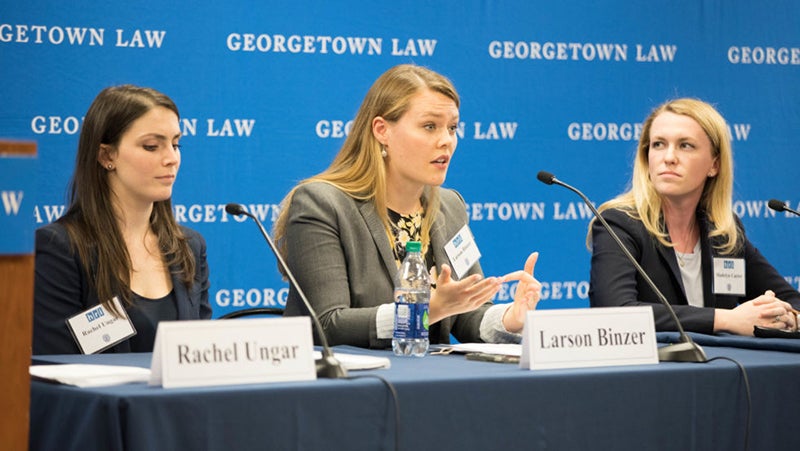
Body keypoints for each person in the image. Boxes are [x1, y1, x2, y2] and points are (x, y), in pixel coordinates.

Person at [273, 64, 541, 348]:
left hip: (427, 381)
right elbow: (327, 324)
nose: (446, 141)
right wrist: (426, 311)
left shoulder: (450, 207)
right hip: (348, 384)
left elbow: (466, 314)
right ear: (382, 130)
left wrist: (511, 317)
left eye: (452, 128)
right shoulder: (322, 204)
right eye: (429, 126)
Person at [588, 98, 800, 336]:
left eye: (685, 146)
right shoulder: (618, 224)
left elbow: (792, 300)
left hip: (722, 368)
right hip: (652, 371)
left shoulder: (723, 233)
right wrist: (727, 319)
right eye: (658, 144)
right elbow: (616, 312)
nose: (668, 157)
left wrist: (788, 317)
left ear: (714, 165)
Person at [33, 85, 211, 354]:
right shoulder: (62, 248)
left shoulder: (189, 246)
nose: (171, 158)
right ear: (107, 156)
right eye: (152, 146)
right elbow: (58, 365)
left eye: (176, 144)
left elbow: (201, 356)